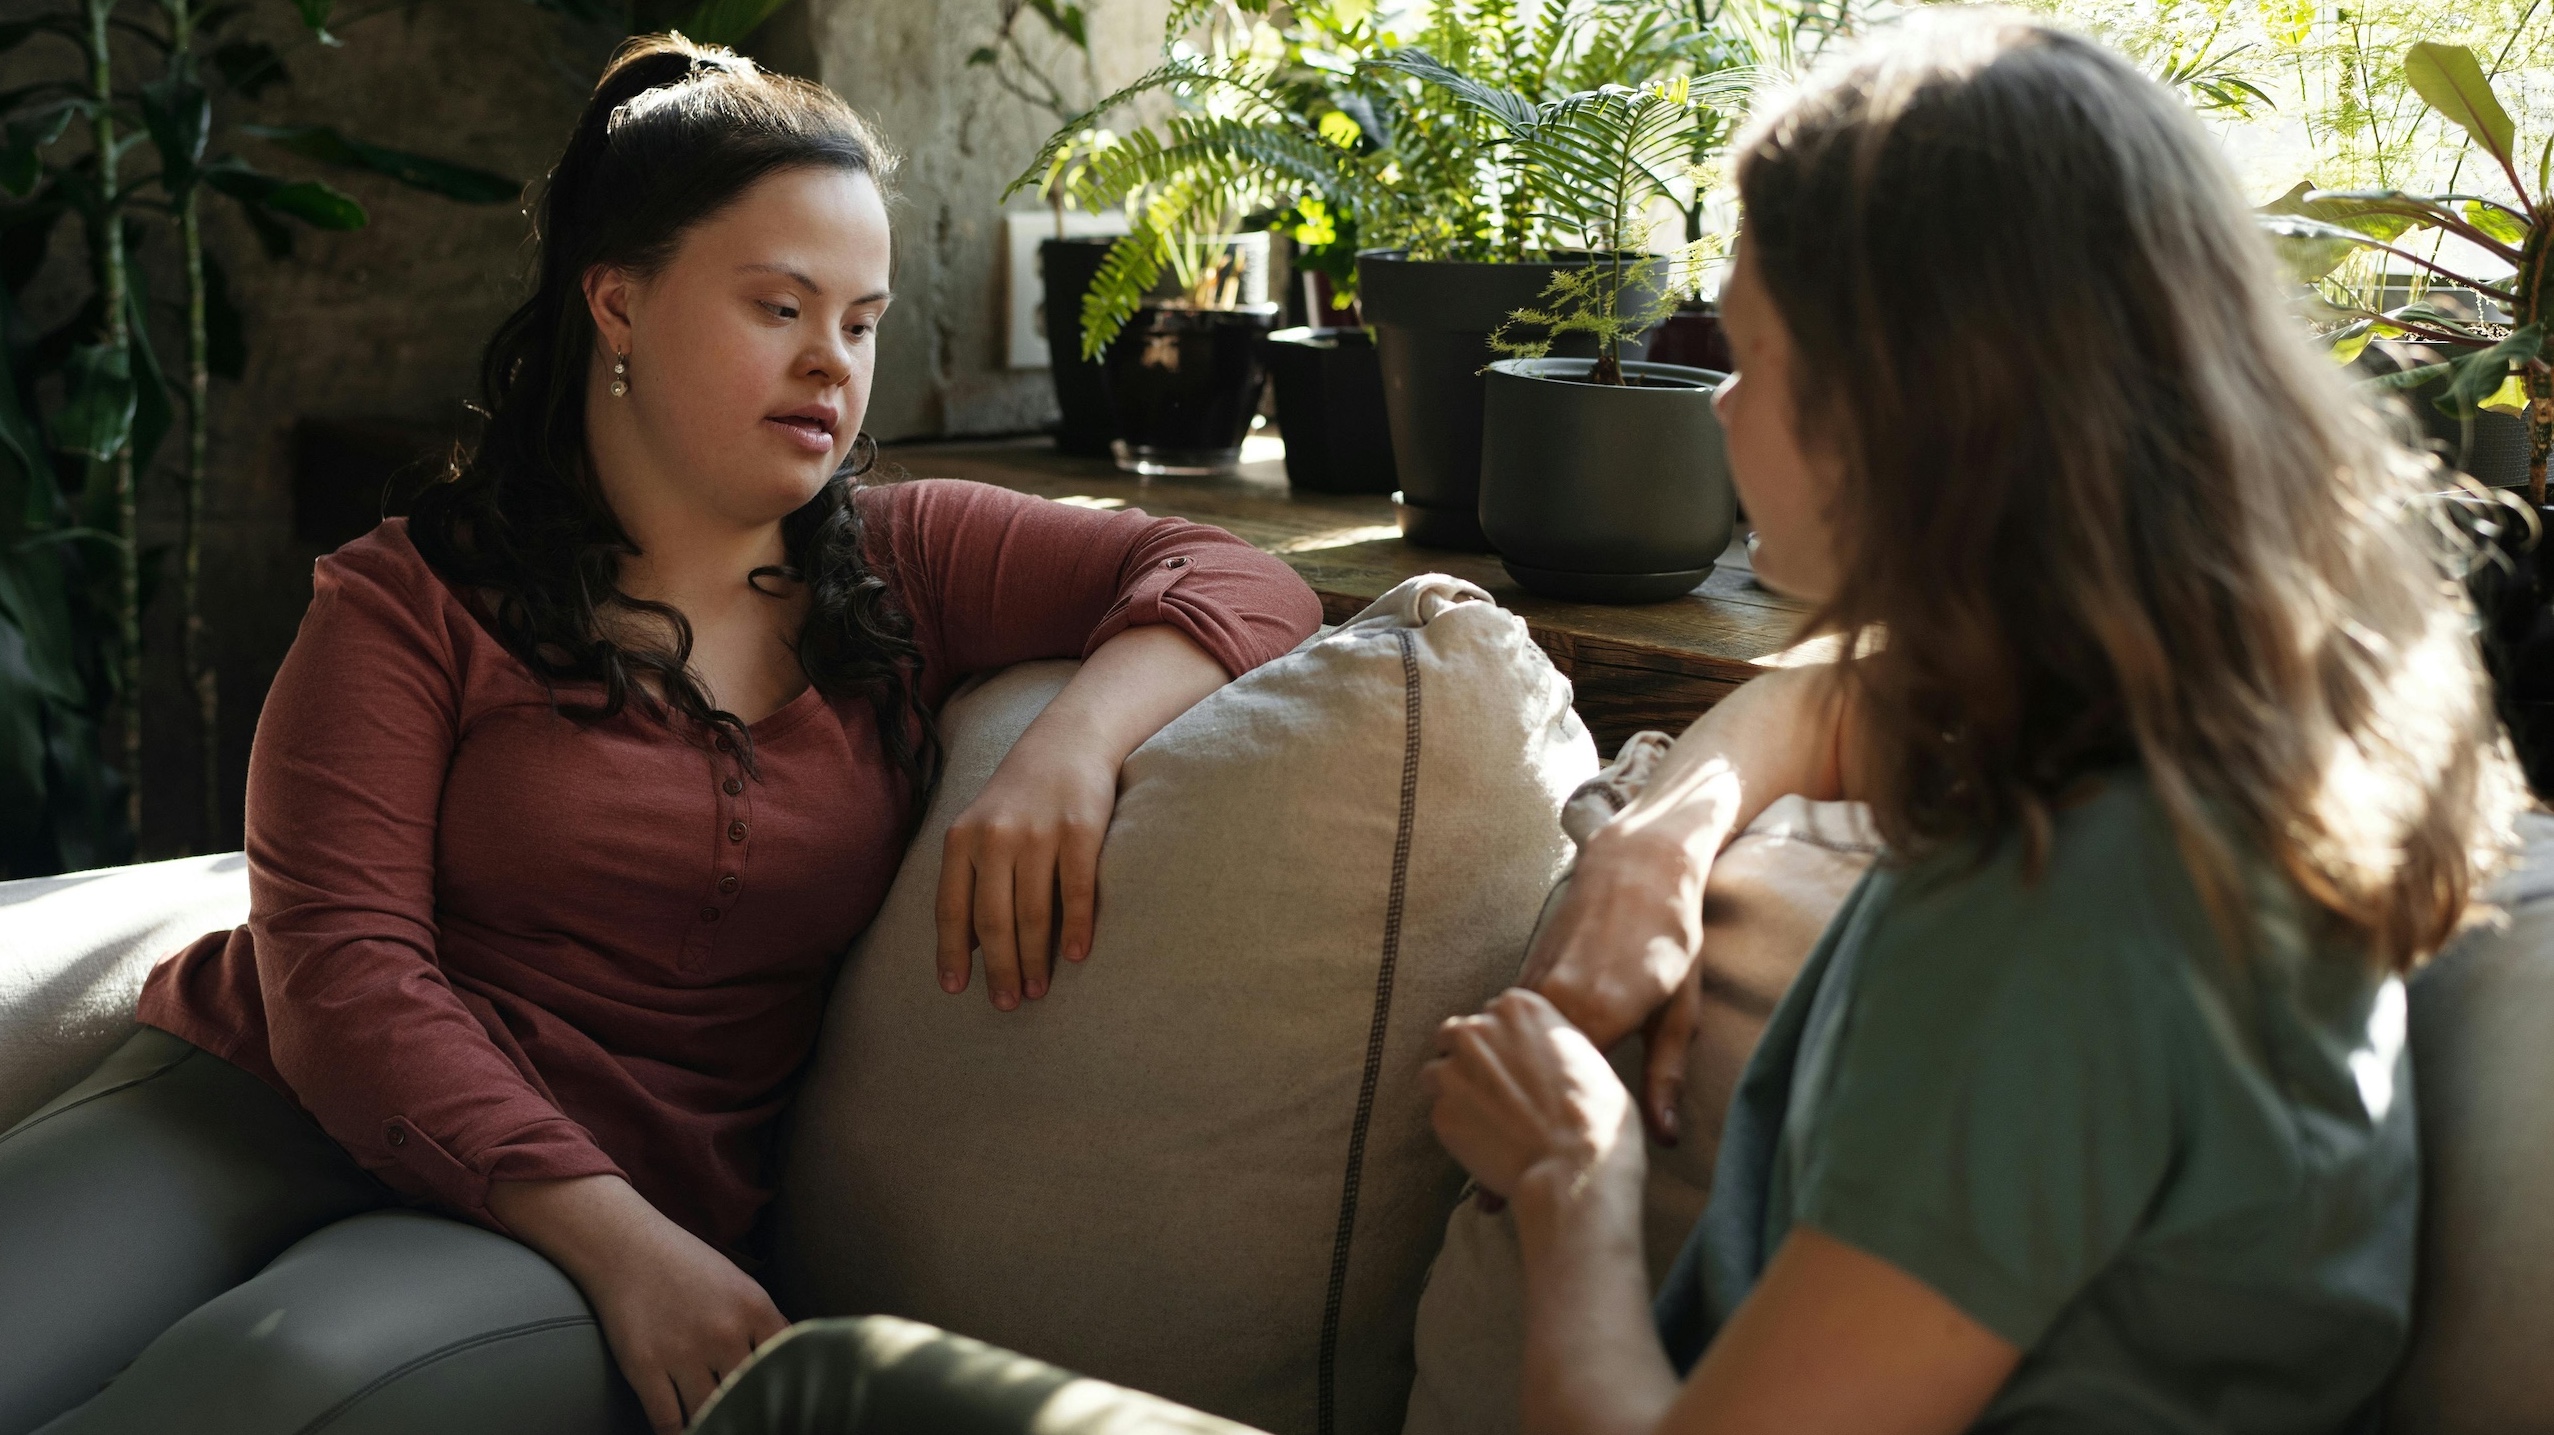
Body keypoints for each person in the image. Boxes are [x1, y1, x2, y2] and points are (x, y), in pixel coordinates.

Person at [0, 34, 1319, 1435]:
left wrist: (1071, 746)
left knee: (270, 1388)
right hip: (244, 1106)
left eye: (862, 322)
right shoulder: (410, 595)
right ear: (618, 303)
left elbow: (1243, 578)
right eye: (779, 306)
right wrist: (626, 1246)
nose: (831, 362)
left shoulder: (907, 558)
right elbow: (343, 977)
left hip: (574, 1224)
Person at [1424, 11, 2527, 1435]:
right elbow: (1847, 703)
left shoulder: (2053, 934)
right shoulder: (2197, 743)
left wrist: (1573, 1176)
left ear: (1902, 414)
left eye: (1750, 354)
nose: (1721, 410)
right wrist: (1664, 831)